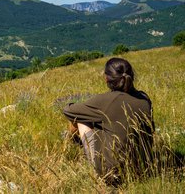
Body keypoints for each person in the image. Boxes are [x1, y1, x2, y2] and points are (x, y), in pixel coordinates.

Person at [63, 57, 154, 185]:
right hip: (143, 169)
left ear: (107, 78)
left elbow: (68, 110)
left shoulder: (107, 101)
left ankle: (72, 142)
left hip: (112, 174)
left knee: (81, 119)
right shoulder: (145, 98)